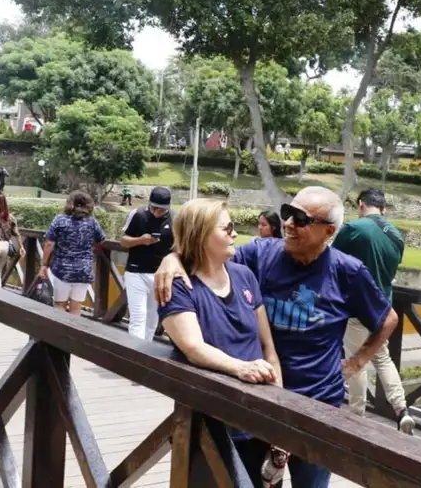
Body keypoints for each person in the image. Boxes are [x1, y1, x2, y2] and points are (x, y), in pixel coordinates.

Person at [154, 186, 399, 488]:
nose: (289, 223)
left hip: (316, 405)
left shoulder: (347, 271)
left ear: (329, 231)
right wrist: (173, 258)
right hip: (260, 403)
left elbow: (387, 319)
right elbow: (205, 249)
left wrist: (356, 362)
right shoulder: (261, 253)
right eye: (287, 213)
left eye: (301, 219)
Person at [157, 198, 284, 485]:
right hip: (211, 425)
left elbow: (268, 349)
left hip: (260, 421)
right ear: (201, 235)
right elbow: (192, 346)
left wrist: (280, 419)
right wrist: (240, 368)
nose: (235, 234)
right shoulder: (178, 285)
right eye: (227, 228)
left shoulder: (244, 276)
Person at [331, 188, 414, 434]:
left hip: (357, 307)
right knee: (381, 358)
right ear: (384, 209)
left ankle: (356, 414)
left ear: (360, 205)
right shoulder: (397, 236)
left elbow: (331, 261)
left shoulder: (353, 229)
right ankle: (402, 410)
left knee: (357, 358)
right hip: (383, 309)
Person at [120, 187, 174, 341]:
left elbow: (179, 247)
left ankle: (145, 349)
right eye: (154, 208)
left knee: (152, 317)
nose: (157, 212)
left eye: (161, 210)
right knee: (138, 316)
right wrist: (140, 240)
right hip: (136, 272)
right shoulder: (137, 214)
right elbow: (123, 241)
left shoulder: (174, 219)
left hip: (161, 274)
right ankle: (134, 354)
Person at [39, 190, 107, 314]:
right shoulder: (92, 222)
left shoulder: (60, 220)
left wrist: (44, 264)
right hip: (83, 270)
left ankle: (59, 332)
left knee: (60, 304)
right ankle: (73, 332)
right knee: (76, 306)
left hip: (62, 270)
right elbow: (101, 240)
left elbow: (49, 243)